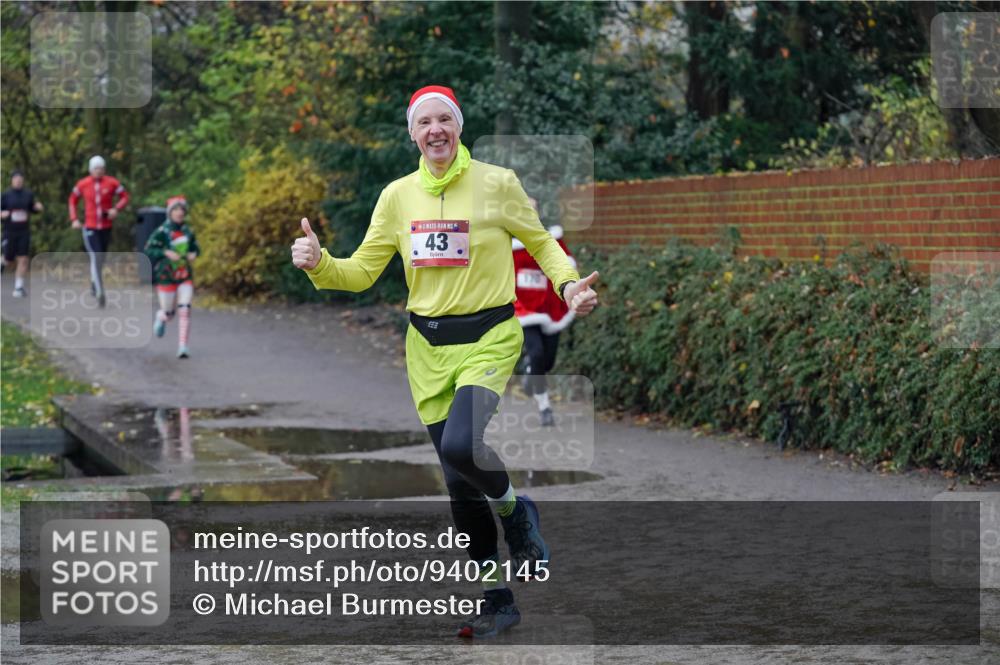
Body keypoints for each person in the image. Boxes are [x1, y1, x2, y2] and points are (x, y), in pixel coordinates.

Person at [291, 85, 599, 639]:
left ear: (458, 126)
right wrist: (319, 263)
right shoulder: (397, 196)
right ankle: (496, 598)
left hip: (489, 337)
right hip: (427, 349)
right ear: (412, 134)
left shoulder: (496, 183)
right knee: (458, 484)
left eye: (444, 120)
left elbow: (542, 244)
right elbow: (360, 273)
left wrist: (568, 285)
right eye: (424, 122)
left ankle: (516, 512)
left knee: (461, 446)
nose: (435, 130)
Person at [513, 199, 576, 427]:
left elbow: (567, 265)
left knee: (547, 362)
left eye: (532, 210)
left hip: (549, 307)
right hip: (523, 308)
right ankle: (544, 406)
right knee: (537, 353)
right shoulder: (507, 243)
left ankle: (531, 369)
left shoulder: (551, 240)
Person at [68, 155, 130, 307]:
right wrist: (74, 219)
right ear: (90, 170)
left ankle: (94, 282)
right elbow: (72, 200)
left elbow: (124, 197)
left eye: (101, 168)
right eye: (96, 168)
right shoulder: (83, 184)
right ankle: (100, 291)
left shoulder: (112, 182)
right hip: (90, 226)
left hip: (106, 226)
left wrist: (116, 209)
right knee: (95, 256)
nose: (99, 171)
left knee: (100, 258)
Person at [144, 196, 199, 359]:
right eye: (176, 209)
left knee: (185, 309)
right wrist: (165, 252)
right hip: (166, 275)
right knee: (169, 314)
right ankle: (161, 317)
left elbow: (196, 248)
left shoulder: (188, 231)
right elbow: (149, 248)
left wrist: (193, 254)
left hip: (184, 274)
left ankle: (183, 347)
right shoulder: (162, 231)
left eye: (182, 209)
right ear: (170, 212)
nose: (179, 212)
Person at [1, 170, 43, 297]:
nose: (18, 181)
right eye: (16, 179)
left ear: (23, 180)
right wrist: (2, 214)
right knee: (9, 260)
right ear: (12, 180)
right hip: (9, 231)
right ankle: (2, 262)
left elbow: (31, 208)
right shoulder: (5, 195)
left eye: (20, 179)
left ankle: (19, 287)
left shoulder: (28, 194)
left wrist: (37, 207)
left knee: (23, 259)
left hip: (24, 231)